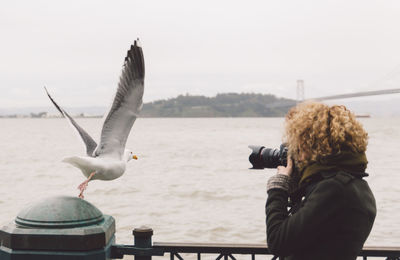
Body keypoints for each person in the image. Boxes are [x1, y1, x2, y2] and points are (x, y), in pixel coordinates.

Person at [265, 102, 376, 260]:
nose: (298, 154)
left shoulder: (334, 188)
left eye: (299, 146)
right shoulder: (353, 184)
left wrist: (278, 187)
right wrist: (298, 185)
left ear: (314, 146)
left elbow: (278, 242)